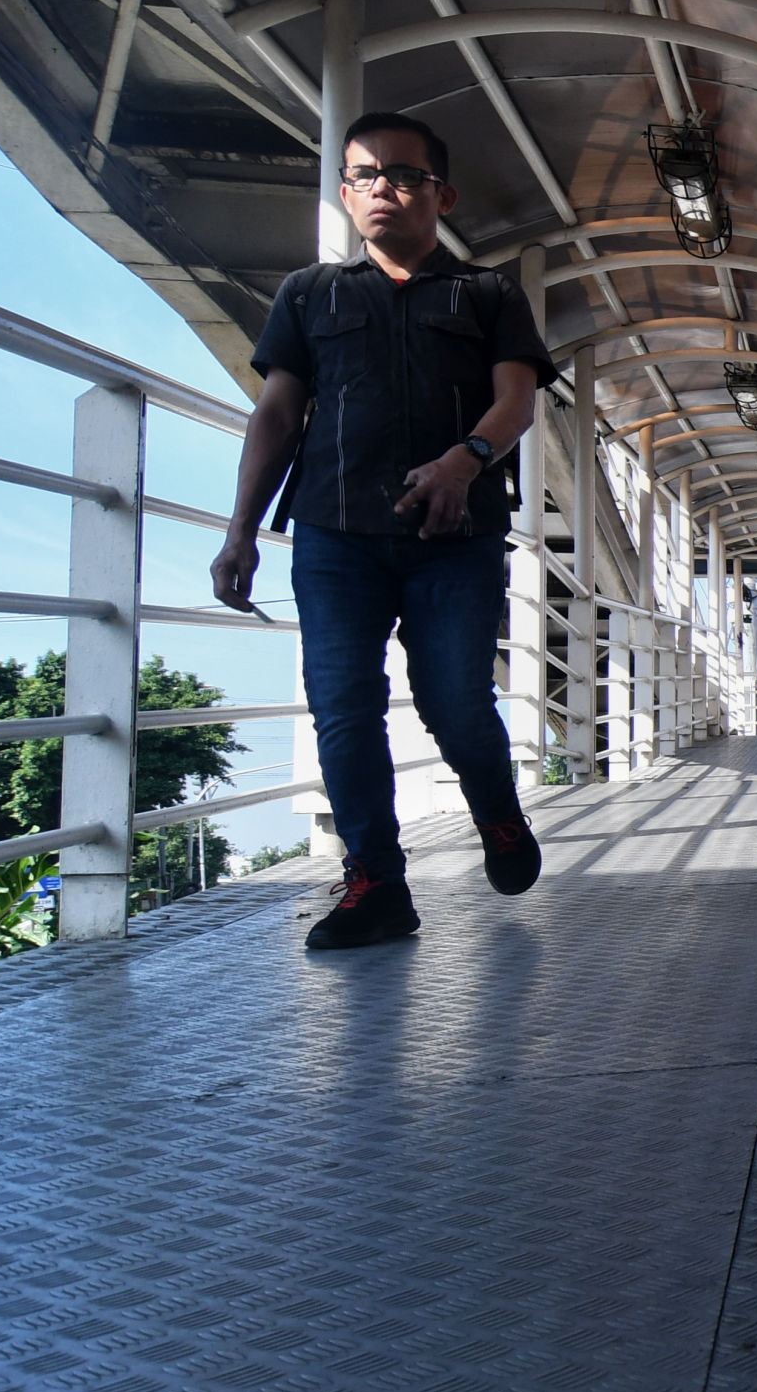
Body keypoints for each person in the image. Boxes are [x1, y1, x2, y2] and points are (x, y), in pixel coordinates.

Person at [211, 111, 559, 949]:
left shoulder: (486, 294)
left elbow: (516, 397)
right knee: (343, 707)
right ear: (344, 192)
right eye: (365, 176)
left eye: (401, 175)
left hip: (457, 534)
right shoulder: (309, 294)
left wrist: (465, 459)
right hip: (335, 534)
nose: (382, 190)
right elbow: (277, 413)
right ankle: (376, 884)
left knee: (455, 704)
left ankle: (497, 812)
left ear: (441, 193)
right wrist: (240, 531)